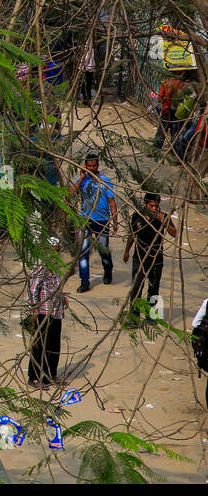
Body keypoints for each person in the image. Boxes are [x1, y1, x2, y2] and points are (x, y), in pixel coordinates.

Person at [124, 191, 176, 320]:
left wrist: (161, 218)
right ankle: (134, 318)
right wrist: (127, 251)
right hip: (140, 258)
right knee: (136, 288)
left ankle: (152, 315)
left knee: (153, 288)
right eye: (151, 206)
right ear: (145, 204)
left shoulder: (163, 216)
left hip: (156, 259)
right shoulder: (137, 216)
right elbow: (132, 235)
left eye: (156, 206)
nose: (154, 208)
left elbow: (174, 233)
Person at [26, 238, 68, 387]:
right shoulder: (42, 263)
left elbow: (55, 284)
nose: (55, 252)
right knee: (40, 345)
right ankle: (34, 377)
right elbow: (33, 288)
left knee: (54, 345)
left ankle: (50, 375)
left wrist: (63, 298)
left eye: (57, 249)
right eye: (53, 249)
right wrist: (33, 311)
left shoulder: (56, 264)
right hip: (43, 311)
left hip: (56, 311)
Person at [71, 153, 115, 292]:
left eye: (93, 165)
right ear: (85, 166)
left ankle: (108, 270)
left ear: (98, 165)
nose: (91, 168)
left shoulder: (105, 181)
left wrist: (115, 221)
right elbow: (70, 194)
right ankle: (85, 282)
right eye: (89, 166)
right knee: (83, 252)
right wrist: (82, 177)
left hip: (102, 220)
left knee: (104, 250)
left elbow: (112, 202)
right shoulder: (81, 180)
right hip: (85, 220)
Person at [154, 73, 186, 151]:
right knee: (174, 131)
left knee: (162, 129)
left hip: (166, 109)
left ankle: (156, 148)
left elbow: (160, 98)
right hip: (177, 111)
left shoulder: (165, 82)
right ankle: (172, 150)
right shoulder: (182, 84)